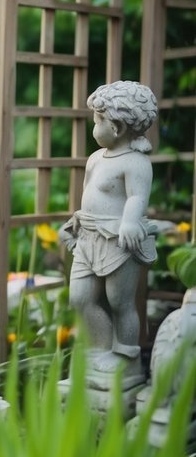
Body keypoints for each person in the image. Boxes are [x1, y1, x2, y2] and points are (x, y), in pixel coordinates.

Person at [59, 80, 157, 376]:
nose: (94, 128)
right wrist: (77, 219)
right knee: (79, 298)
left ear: (117, 127)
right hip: (88, 237)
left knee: (120, 301)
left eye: (97, 121)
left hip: (118, 240)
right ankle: (99, 348)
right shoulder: (95, 158)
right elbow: (89, 194)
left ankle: (125, 354)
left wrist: (129, 221)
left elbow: (137, 196)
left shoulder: (136, 162)